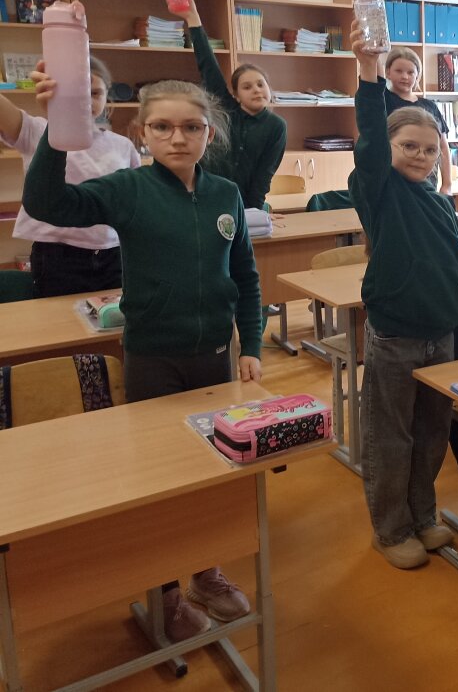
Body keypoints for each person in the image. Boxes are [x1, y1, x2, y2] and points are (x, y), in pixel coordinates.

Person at [24, 68, 262, 641]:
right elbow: (48, 202)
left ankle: (205, 571)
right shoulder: (128, 188)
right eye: (162, 127)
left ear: (209, 133)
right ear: (142, 133)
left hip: (214, 357)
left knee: (211, 472)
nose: (178, 138)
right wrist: (57, 127)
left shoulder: (226, 195)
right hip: (154, 357)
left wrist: (251, 346)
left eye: (191, 127)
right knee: (158, 481)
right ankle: (165, 592)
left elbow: (246, 277)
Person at [347, 21, 458, 570]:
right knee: (392, 437)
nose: (421, 156)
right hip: (397, 336)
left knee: (431, 434)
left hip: (443, 334)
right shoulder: (378, 191)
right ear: (387, 149)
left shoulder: (438, 202)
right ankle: (390, 529)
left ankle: (422, 515)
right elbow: (368, 141)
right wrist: (369, 71)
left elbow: (456, 269)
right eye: (408, 146)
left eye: (430, 150)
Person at [0, 56, 140, 297]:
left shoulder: (122, 145)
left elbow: (134, 199)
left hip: (114, 253)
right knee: (60, 315)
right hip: (58, 254)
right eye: (76, 93)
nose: (86, 101)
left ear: (107, 95)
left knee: (110, 316)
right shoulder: (38, 130)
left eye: (95, 93)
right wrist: (57, 110)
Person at [181, 0, 286, 210]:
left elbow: (264, 175)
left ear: (269, 88)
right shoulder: (227, 110)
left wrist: (255, 212)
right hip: (203, 196)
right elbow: (208, 65)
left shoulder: (276, 126)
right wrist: (193, 19)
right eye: (247, 87)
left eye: (260, 84)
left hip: (241, 204)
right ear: (236, 95)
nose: (256, 90)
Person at [383, 47, 453, 194]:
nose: (405, 76)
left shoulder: (430, 106)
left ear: (418, 76)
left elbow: (443, 146)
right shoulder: (383, 100)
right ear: (388, 72)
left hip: (427, 184)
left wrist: (447, 184)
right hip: (394, 182)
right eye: (399, 71)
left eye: (410, 72)